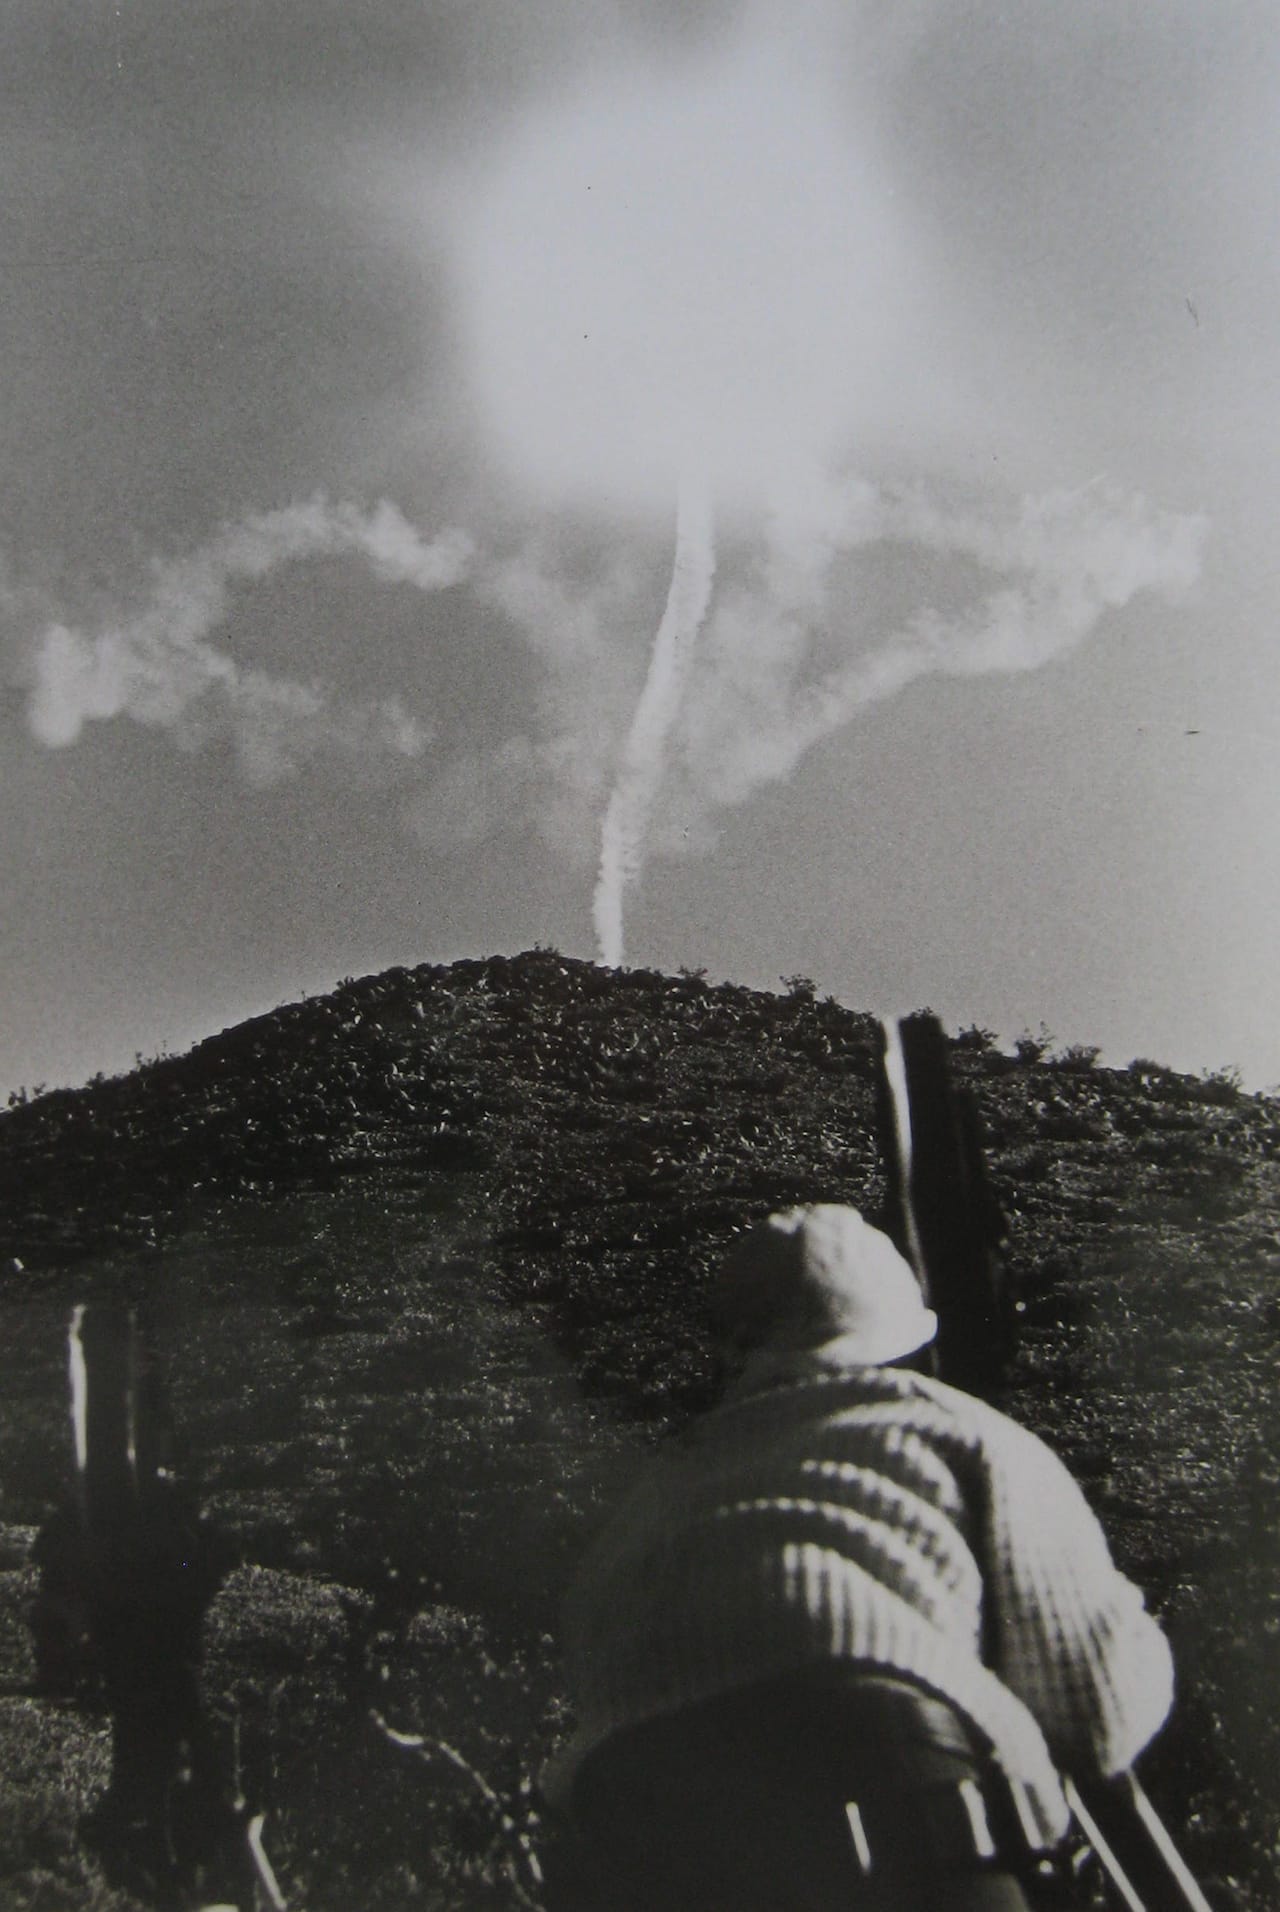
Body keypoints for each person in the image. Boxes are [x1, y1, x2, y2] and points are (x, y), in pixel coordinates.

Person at [543, 1204, 1174, 1910]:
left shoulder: (650, 1498)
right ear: (905, 1342)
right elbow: (1094, 1719)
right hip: (895, 1806)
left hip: (641, 1833)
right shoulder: (957, 1432)